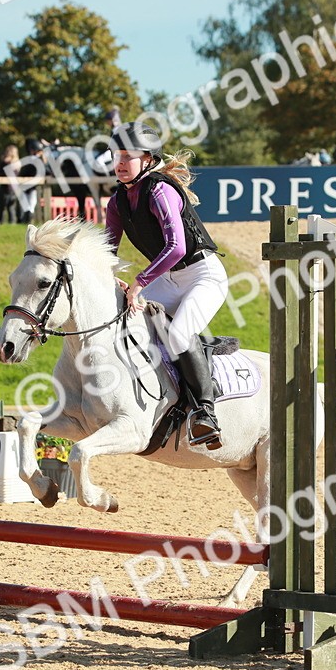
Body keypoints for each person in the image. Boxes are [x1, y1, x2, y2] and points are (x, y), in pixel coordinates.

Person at [105, 122, 227, 449]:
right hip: (166, 281)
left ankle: (205, 413)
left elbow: (177, 248)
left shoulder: (161, 190)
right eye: (116, 155)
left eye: (127, 156)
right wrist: (107, 275)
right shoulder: (116, 202)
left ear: (147, 159)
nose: (119, 163)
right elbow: (107, 253)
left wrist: (139, 283)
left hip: (203, 275)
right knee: (126, 326)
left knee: (178, 334)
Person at [0, 145, 21, 224]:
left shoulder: (14, 164)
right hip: (9, 188)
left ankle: (6, 223)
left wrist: (5, 162)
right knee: (6, 208)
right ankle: (5, 223)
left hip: (9, 189)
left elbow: (1, 173)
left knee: (7, 208)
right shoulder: (16, 164)